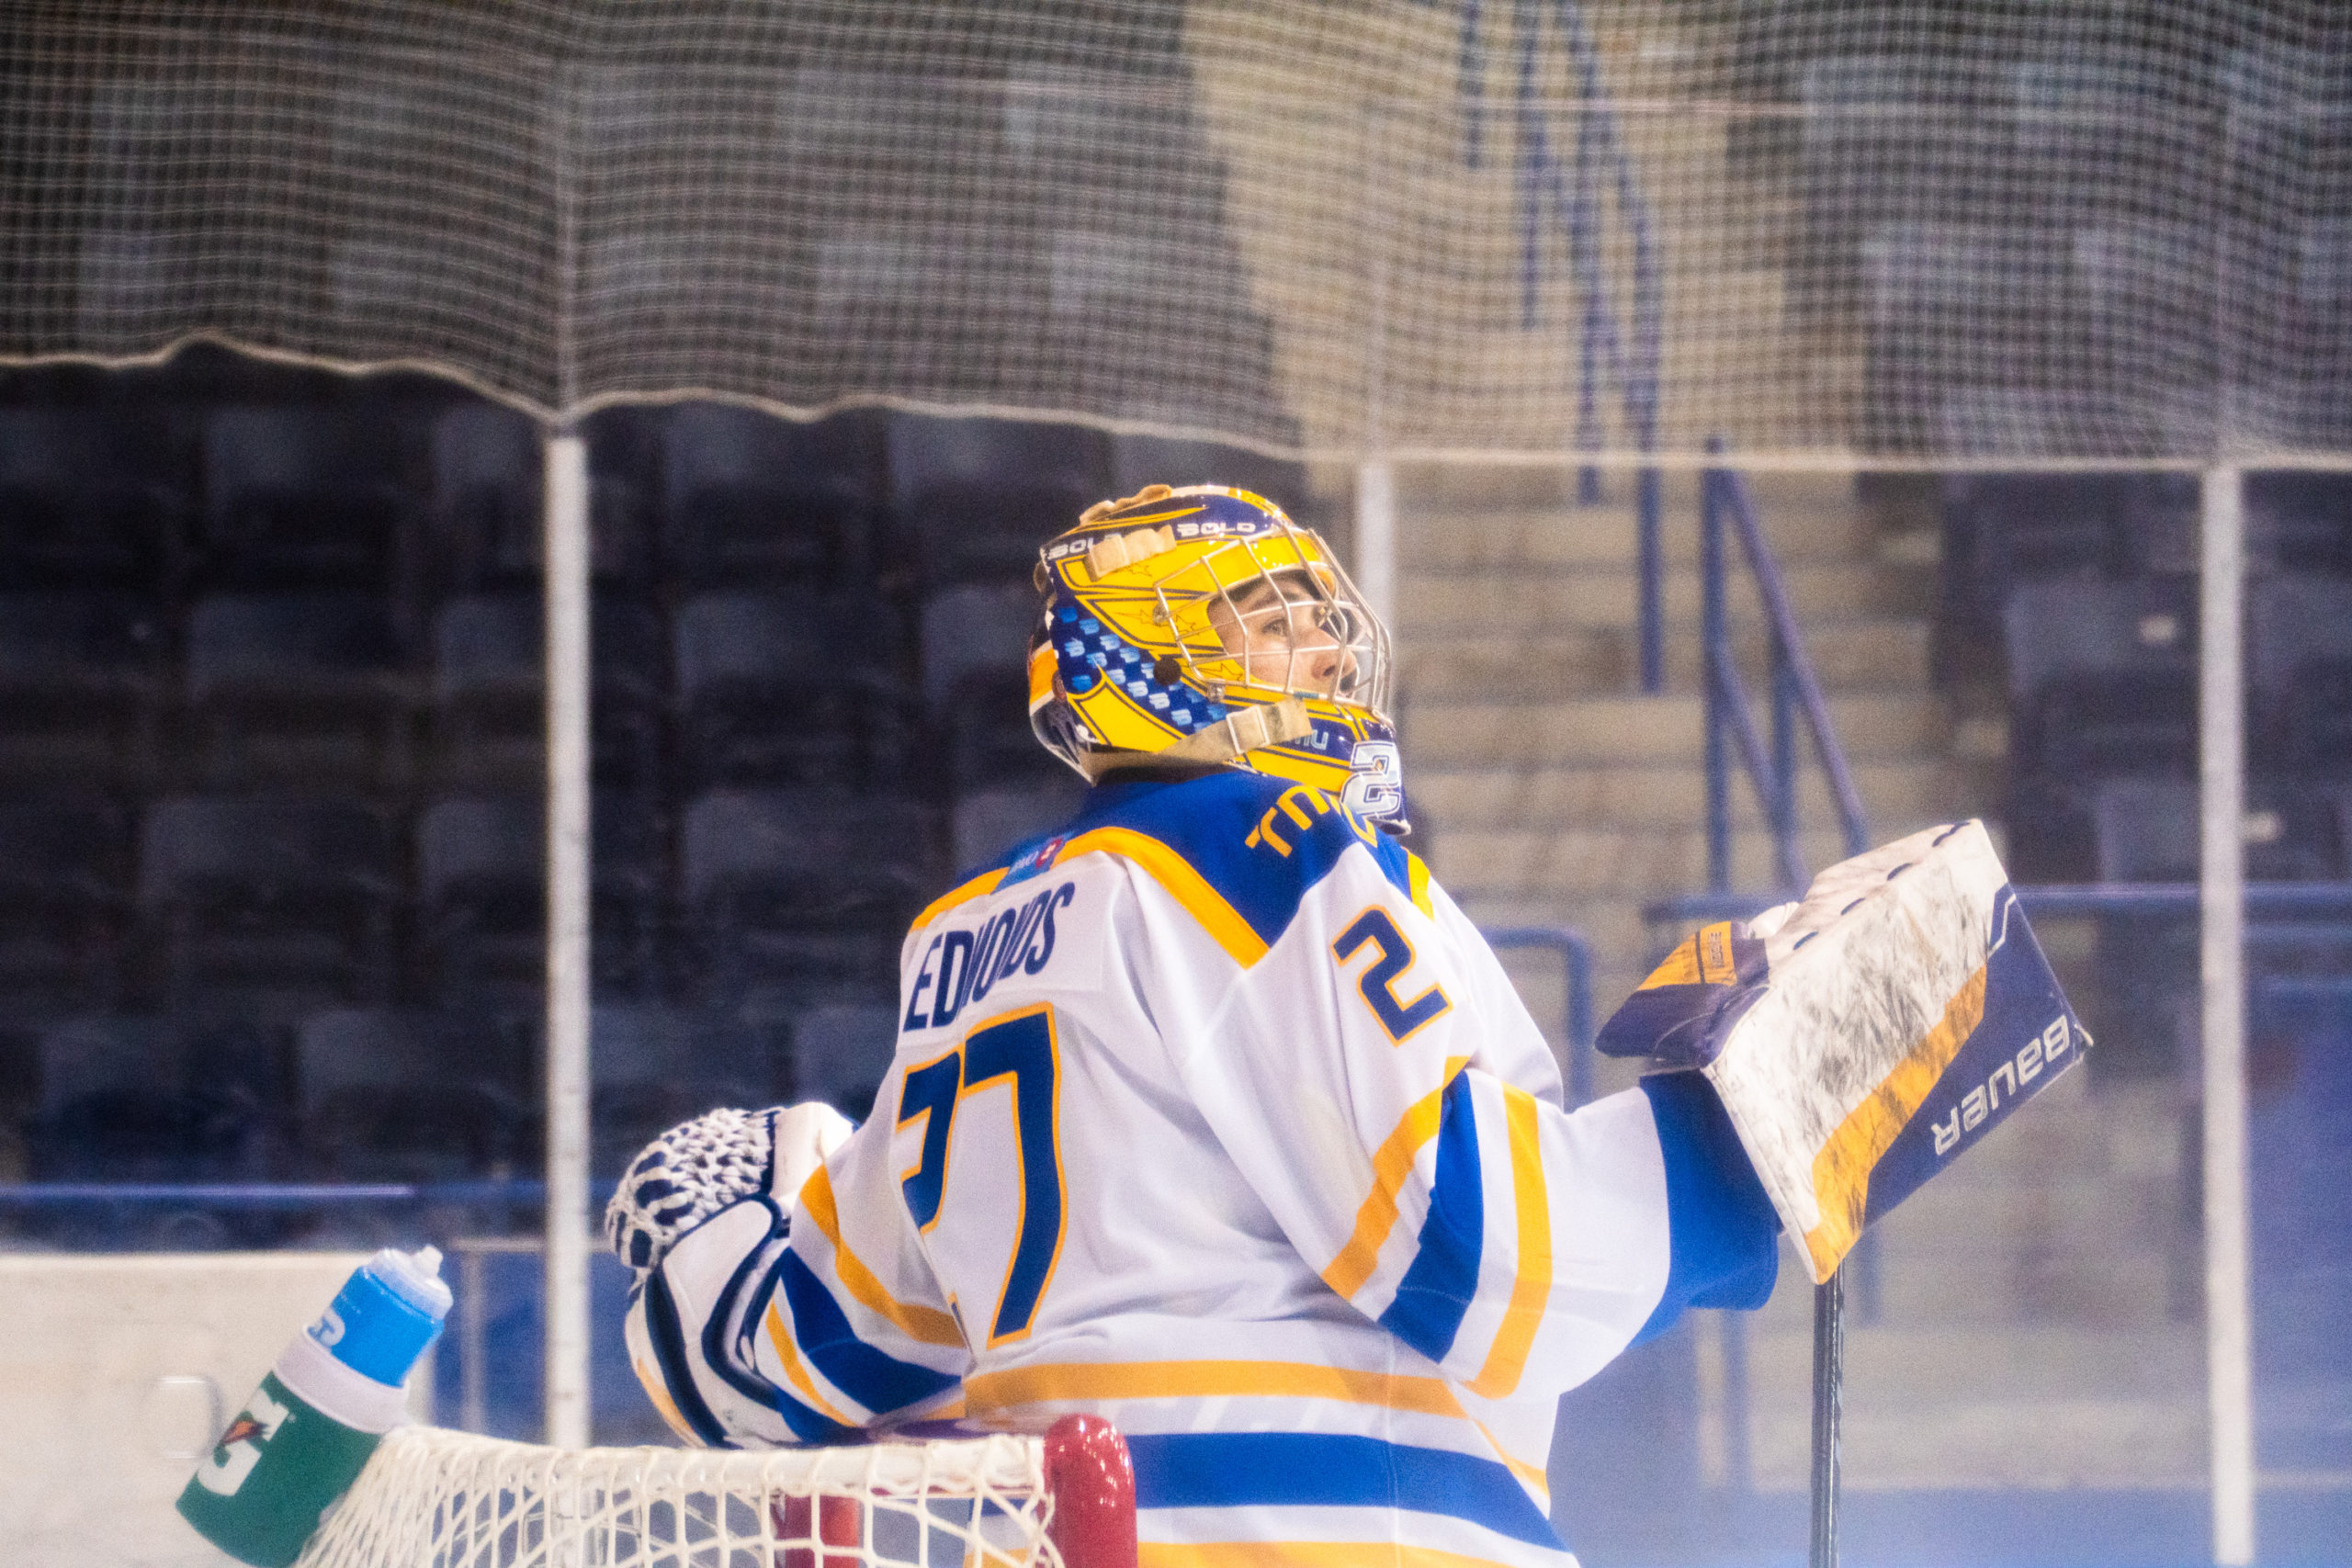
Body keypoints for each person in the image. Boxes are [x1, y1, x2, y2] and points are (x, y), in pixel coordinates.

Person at [605, 484, 1781, 1568]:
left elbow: (824, 1342)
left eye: (1316, 621)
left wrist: (718, 1250)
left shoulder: (957, 940)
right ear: (1144, 662)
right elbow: (1477, 1248)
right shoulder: (1263, 849)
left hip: (1075, 1539)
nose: (1322, 652)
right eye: (1266, 626)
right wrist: (1750, 1141)